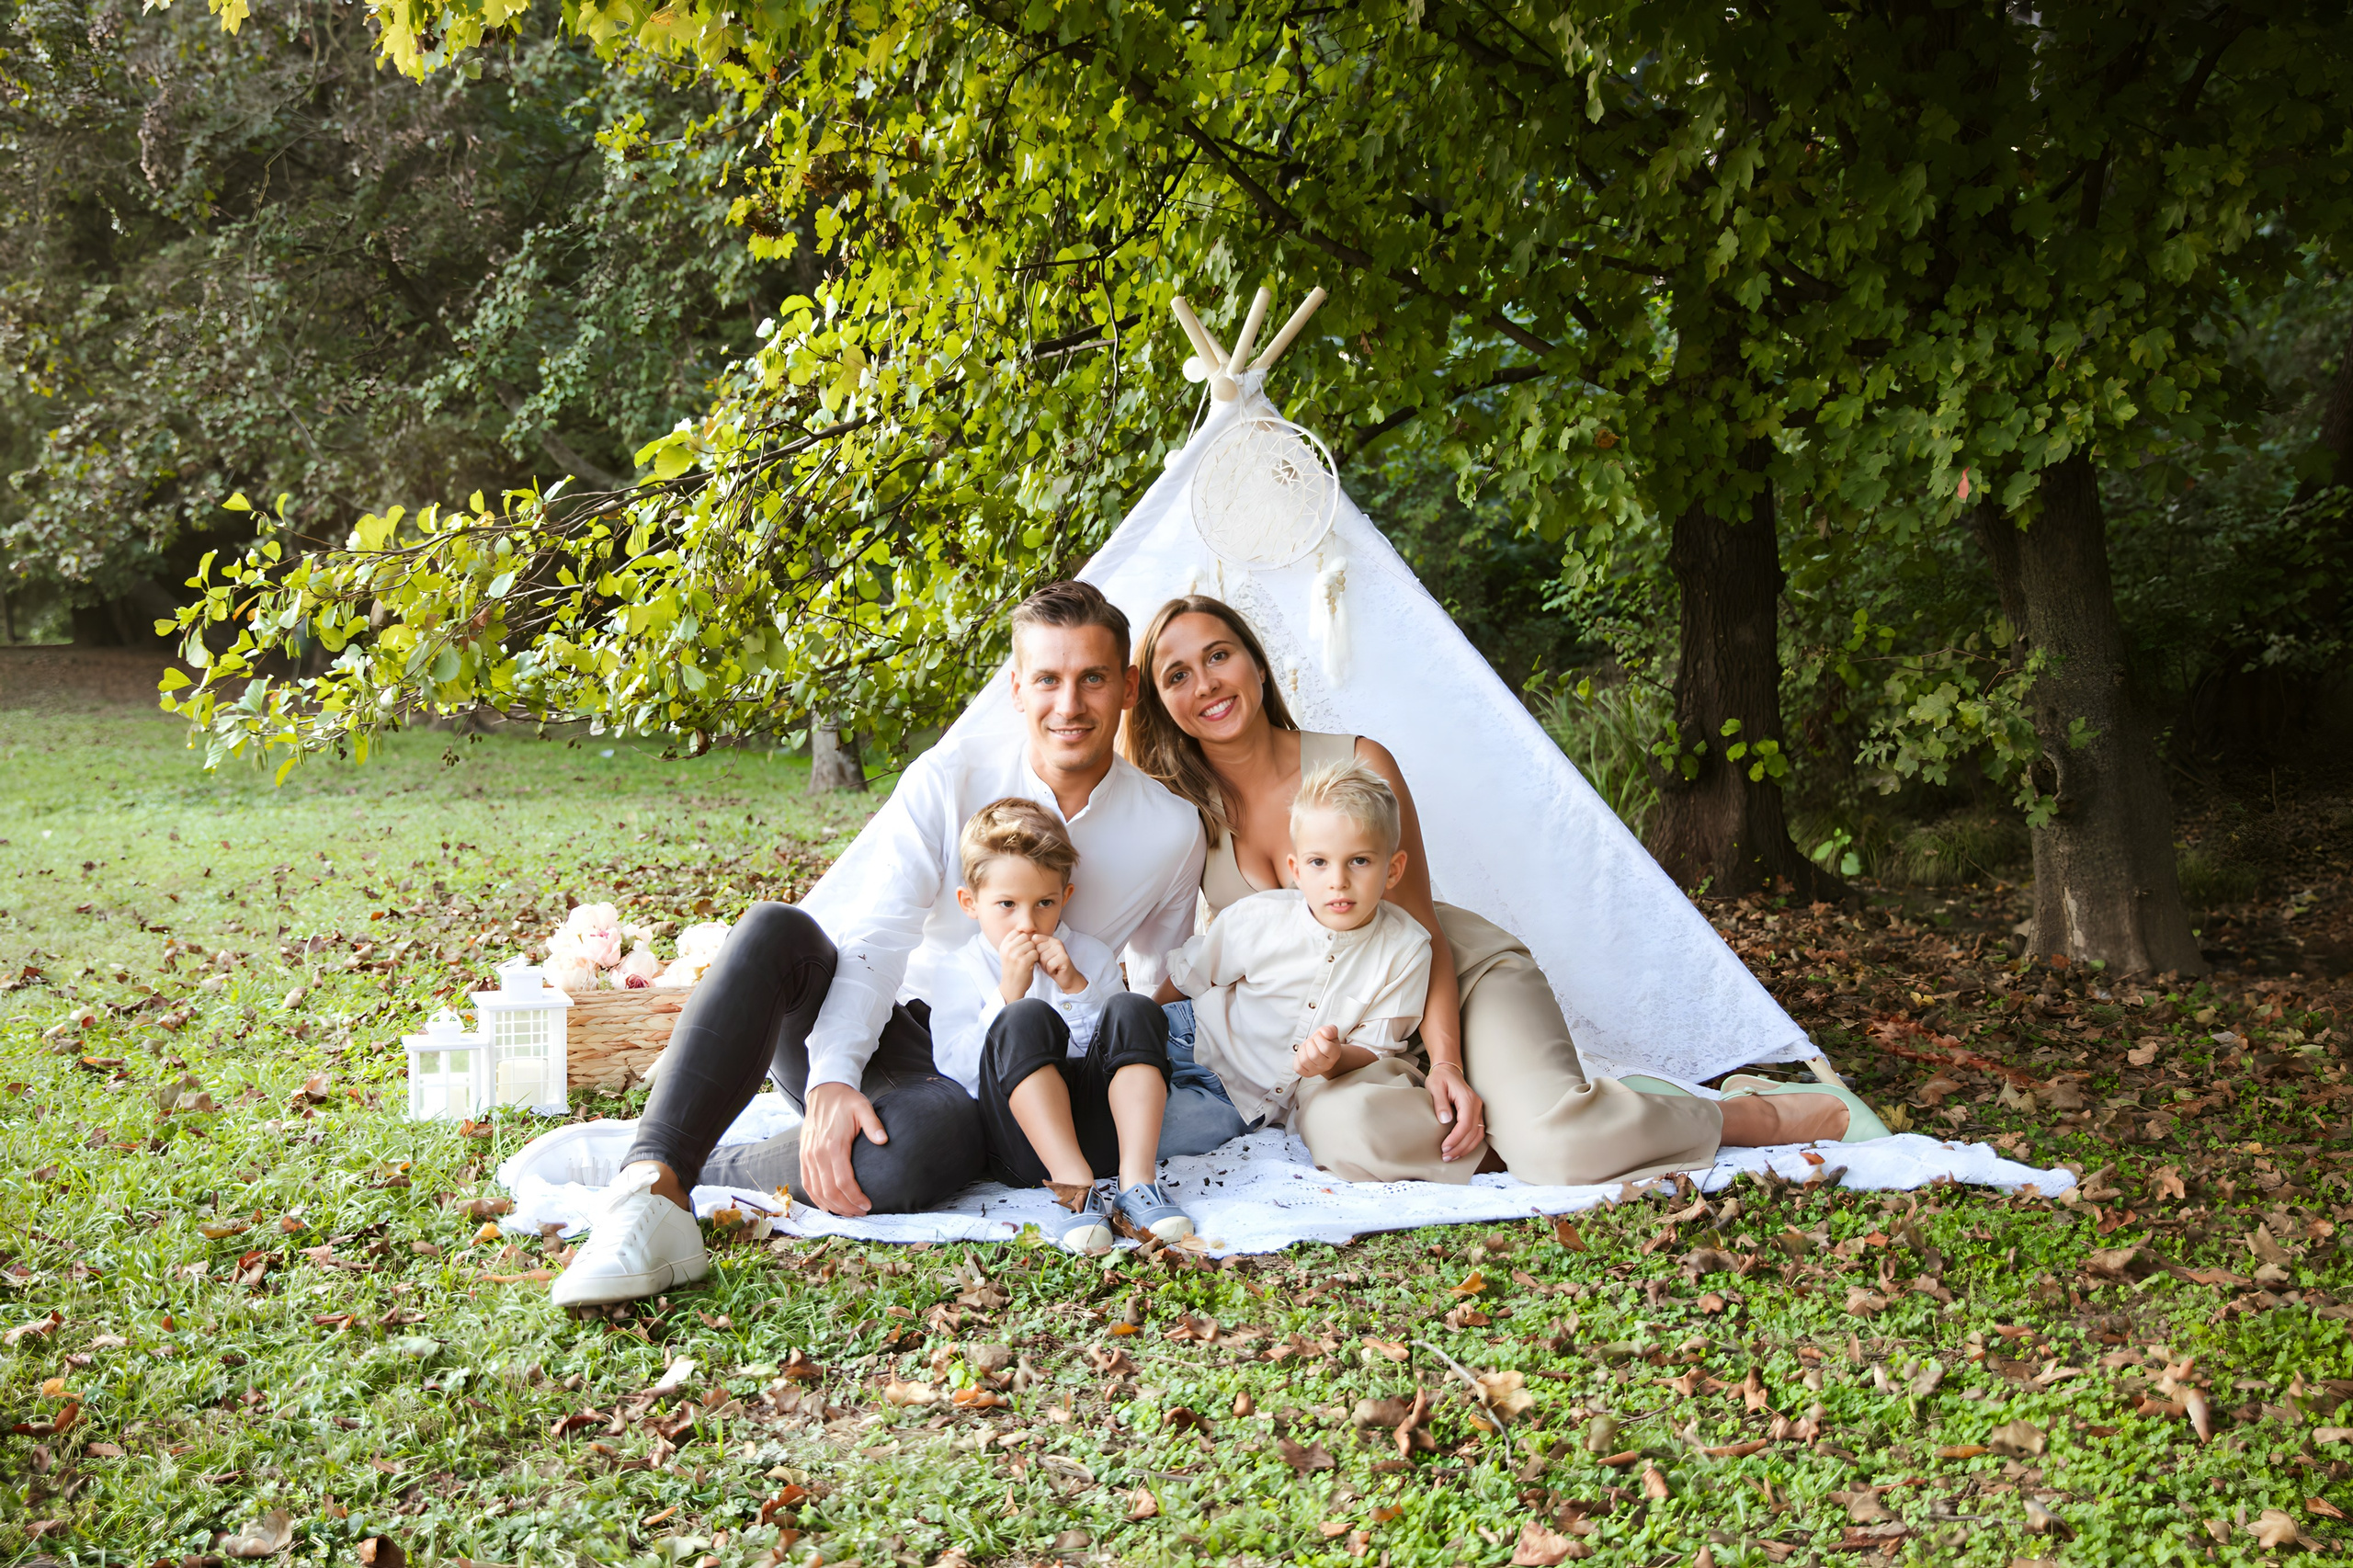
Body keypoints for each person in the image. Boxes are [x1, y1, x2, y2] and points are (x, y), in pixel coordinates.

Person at [550, 581, 1210, 1308]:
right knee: (777, 928)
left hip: (1018, 1072)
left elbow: (1154, 990)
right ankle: (652, 1181)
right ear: (1016, 688)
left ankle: (718, 1161)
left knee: (925, 1149)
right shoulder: (949, 776)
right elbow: (880, 934)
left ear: (1127, 686)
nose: (1069, 704)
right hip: (907, 1035)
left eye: (1091, 678)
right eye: (1047, 679)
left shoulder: (1170, 830)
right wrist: (835, 1073)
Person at [1122, 594, 1891, 1188]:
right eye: (1177, 675)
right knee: (1350, 1139)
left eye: (1219, 655)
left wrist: (1450, 1064)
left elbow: (1419, 927)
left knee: (1559, 1149)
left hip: (1452, 974)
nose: (1207, 684)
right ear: (1160, 703)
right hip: (1354, 1037)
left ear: (1256, 664)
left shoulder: (1357, 760)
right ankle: (1561, 1116)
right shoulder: (1181, 813)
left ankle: (1737, 1114)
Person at [1165, 757, 1462, 1180]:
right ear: (1296, 871)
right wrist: (1137, 1021)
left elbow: (1376, 1048)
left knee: (1163, 1131)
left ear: (1393, 869)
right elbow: (1186, 978)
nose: (1338, 881)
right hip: (1187, 1035)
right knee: (1118, 1058)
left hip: (1233, 1101)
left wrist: (1333, 1059)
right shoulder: (1257, 919)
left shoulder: (1406, 950)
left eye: (1359, 861)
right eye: (1319, 863)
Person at [947, 797, 1195, 1250]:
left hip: (1107, 1139)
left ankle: (1138, 1184)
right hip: (1023, 1148)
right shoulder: (960, 969)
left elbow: (1115, 1052)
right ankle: (1075, 1192)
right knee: (1024, 1016)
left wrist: (1076, 987)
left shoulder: (1090, 956)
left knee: (1135, 1007)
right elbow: (958, 1072)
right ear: (970, 902)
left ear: (1066, 896)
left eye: (1044, 902)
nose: (1027, 922)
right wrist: (1008, 994)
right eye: (1006, 904)